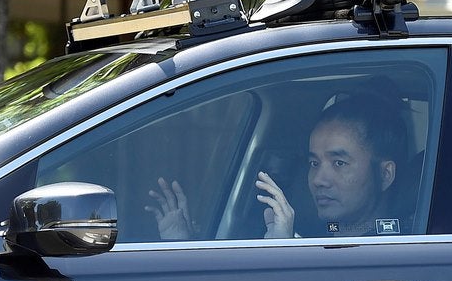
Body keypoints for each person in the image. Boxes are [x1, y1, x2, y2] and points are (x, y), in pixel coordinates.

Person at [148, 94, 410, 239]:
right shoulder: (321, 236)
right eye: (313, 162)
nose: (319, 179)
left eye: (339, 163)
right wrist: (183, 244)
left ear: (385, 174)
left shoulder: (402, 248)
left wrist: (283, 253)